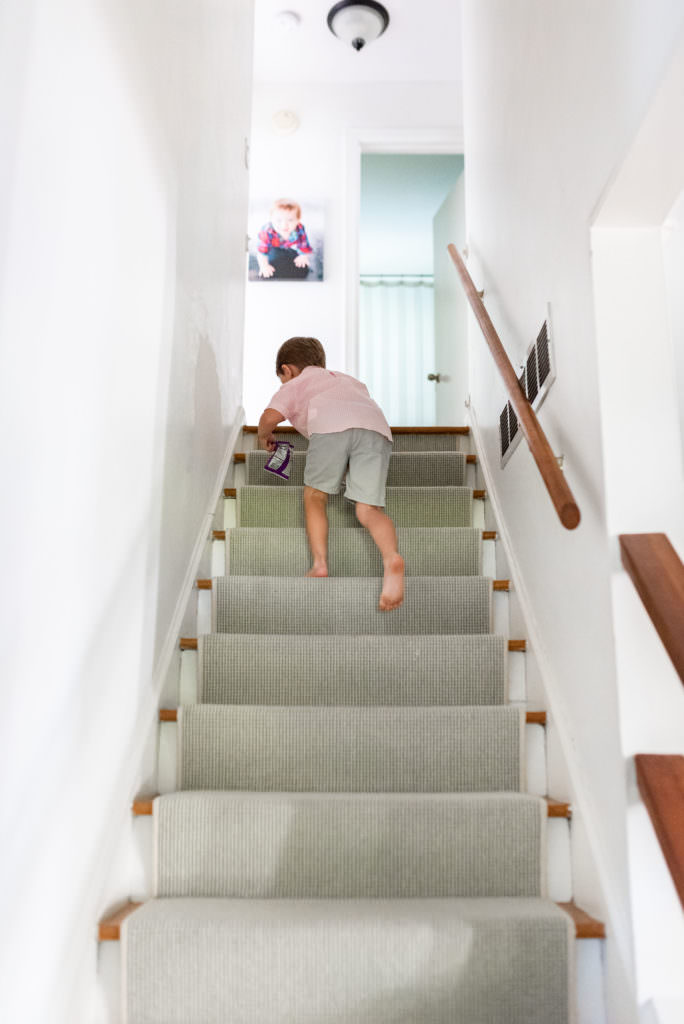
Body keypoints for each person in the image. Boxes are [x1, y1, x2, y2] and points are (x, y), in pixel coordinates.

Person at [257, 336, 405, 611]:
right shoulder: (349, 381)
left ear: (287, 370)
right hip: (377, 429)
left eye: (282, 378)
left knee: (315, 496)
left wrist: (264, 436)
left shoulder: (298, 382)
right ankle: (391, 557)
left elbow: (269, 417)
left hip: (330, 427)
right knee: (367, 509)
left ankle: (320, 564)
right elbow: (353, 423)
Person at [256, 199, 313, 280]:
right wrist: (264, 266)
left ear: (298, 220)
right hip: (273, 246)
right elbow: (262, 252)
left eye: (290, 220)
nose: (284, 225)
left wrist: (303, 256)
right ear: (271, 220)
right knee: (272, 261)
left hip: (289, 245)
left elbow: (304, 245)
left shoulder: (299, 228)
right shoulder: (267, 232)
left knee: (302, 267)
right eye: (279, 220)